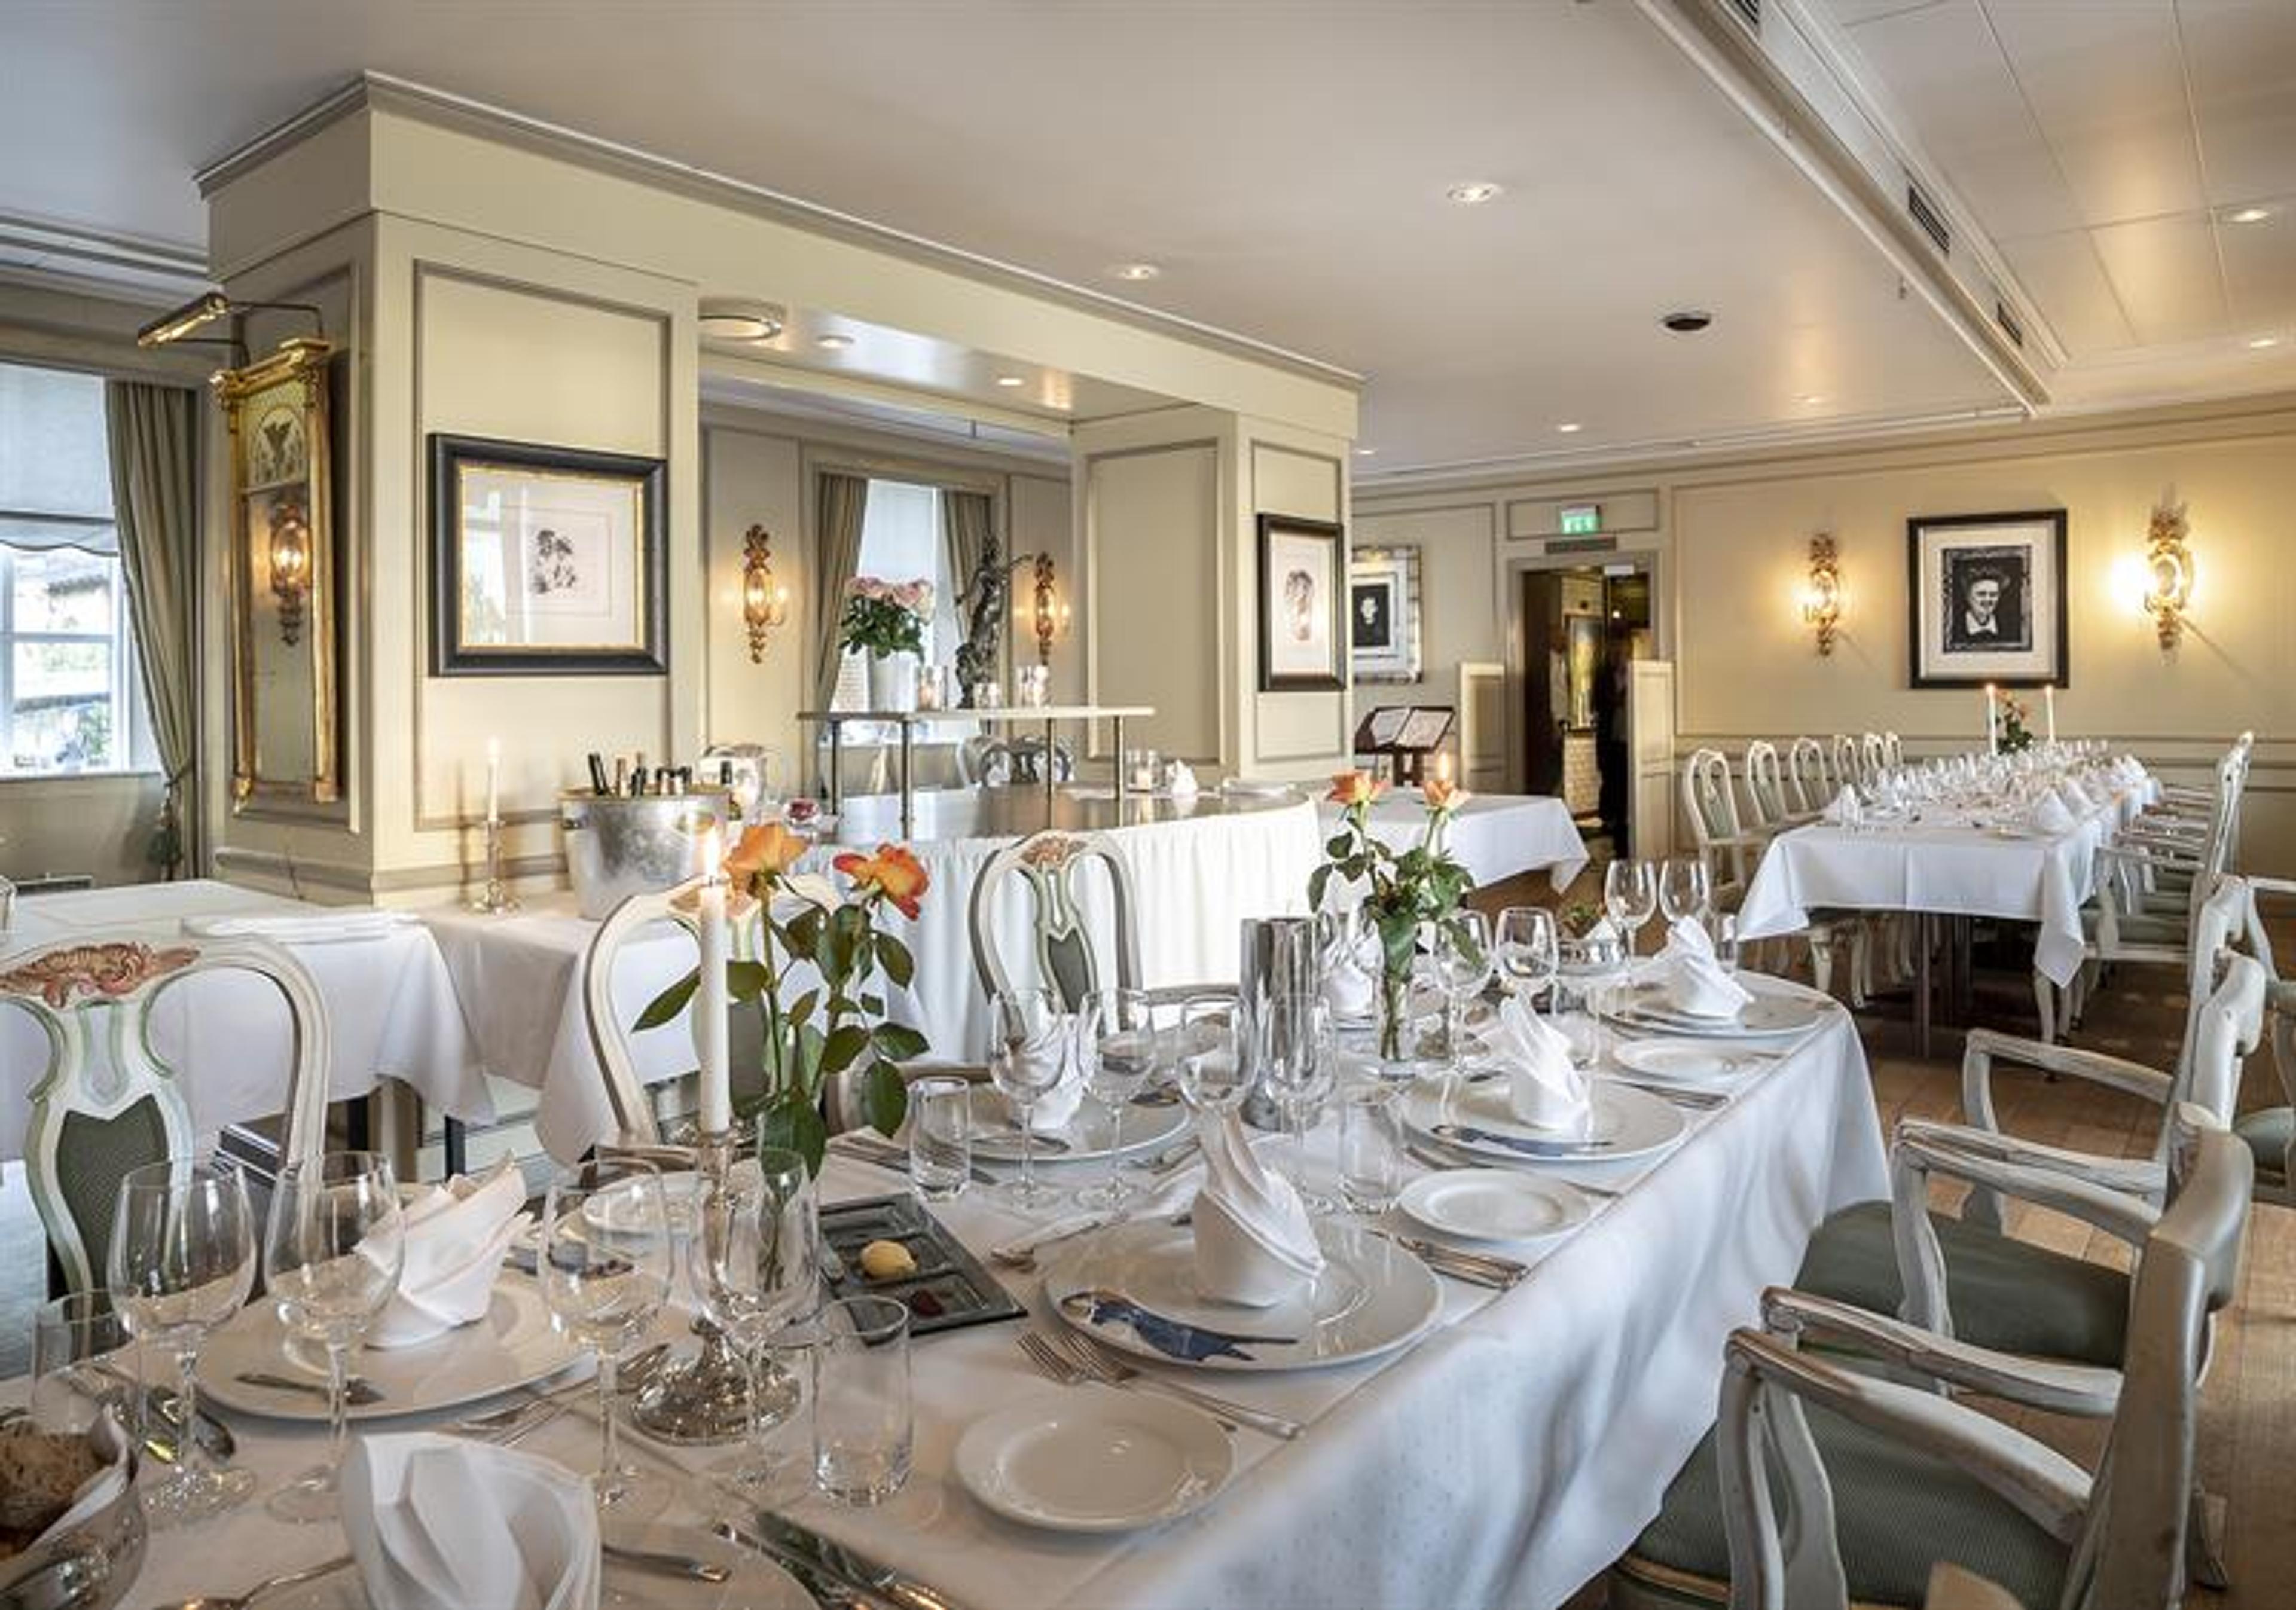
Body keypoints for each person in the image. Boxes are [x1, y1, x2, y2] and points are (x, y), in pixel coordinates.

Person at [1947, 563, 2025, 650]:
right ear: (1967, 597)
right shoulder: (1951, 629)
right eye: (1981, 594)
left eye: (1993, 595)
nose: (1988, 600)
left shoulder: (2012, 628)